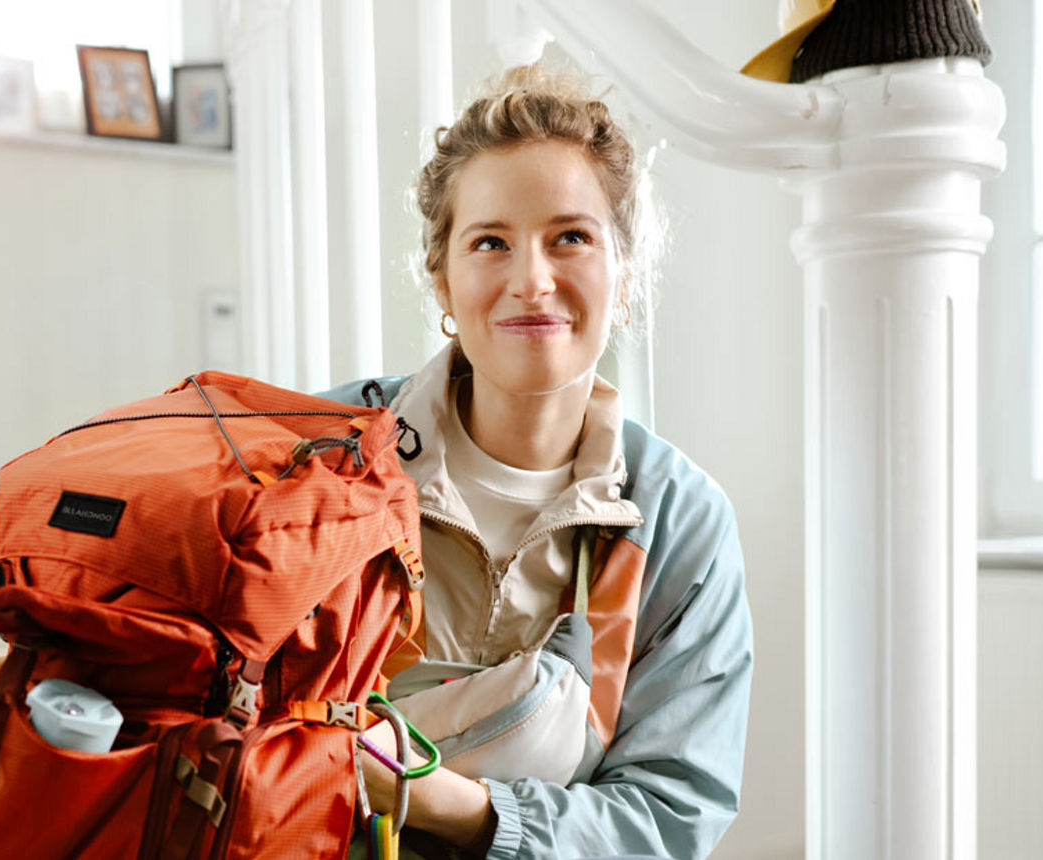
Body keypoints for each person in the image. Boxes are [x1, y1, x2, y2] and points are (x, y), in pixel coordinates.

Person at [322, 65, 752, 860]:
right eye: (490, 242)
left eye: (571, 238)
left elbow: (669, 818)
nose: (531, 281)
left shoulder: (679, 522)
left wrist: (444, 801)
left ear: (623, 277)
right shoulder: (326, 453)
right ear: (441, 275)